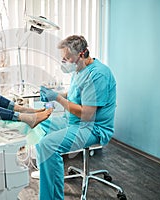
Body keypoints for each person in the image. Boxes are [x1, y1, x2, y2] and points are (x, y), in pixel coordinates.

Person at [35, 35, 116, 199]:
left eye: (67, 58)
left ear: (81, 54)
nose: (64, 62)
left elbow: (87, 113)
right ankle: (47, 168)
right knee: (38, 125)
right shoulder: (80, 70)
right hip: (73, 121)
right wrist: (56, 94)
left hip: (92, 128)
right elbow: (75, 94)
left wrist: (57, 98)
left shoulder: (98, 75)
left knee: (48, 145)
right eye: (63, 58)